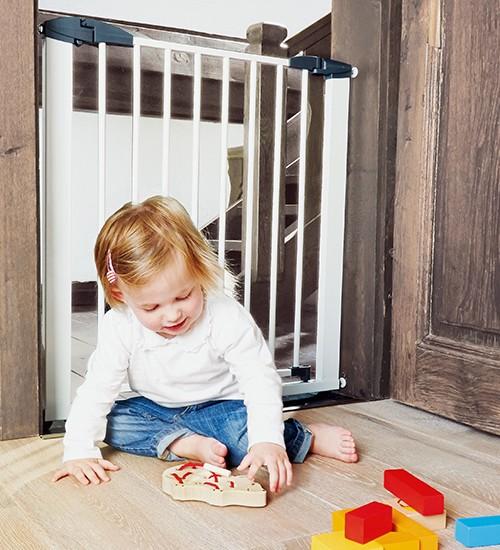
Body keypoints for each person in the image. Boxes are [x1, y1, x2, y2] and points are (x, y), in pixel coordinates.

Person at [53, 196, 357, 492]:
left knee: (249, 446)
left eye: (183, 296)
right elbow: (97, 390)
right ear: (121, 295)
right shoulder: (119, 325)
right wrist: (78, 450)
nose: (172, 314)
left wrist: (268, 439)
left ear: (200, 271)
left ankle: (304, 437)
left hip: (224, 409)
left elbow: (258, 378)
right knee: (111, 422)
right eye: (151, 308)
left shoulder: (224, 315)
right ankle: (183, 443)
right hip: (158, 409)